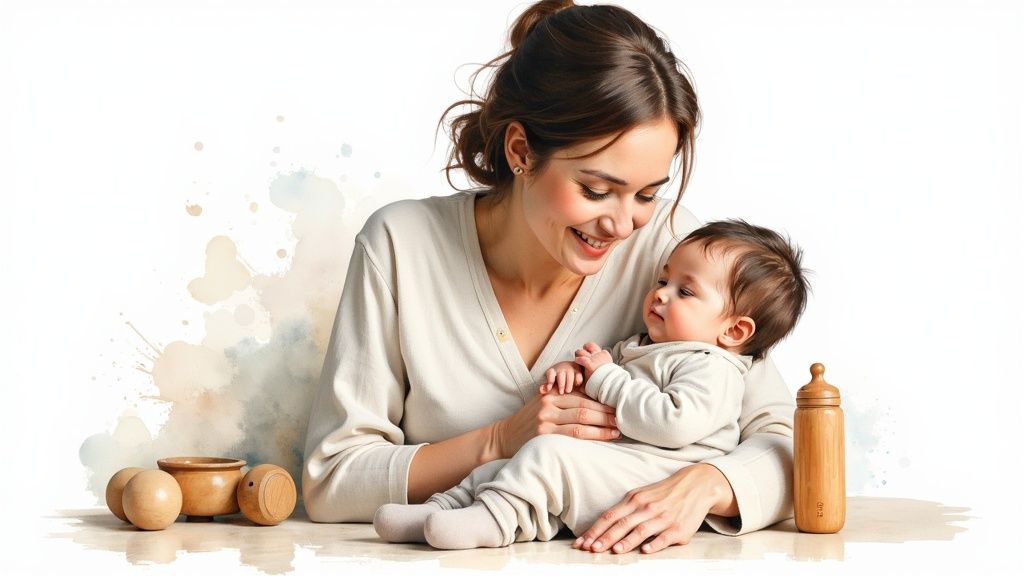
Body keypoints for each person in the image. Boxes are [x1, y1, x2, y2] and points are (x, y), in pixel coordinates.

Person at [302, 0, 797, 554]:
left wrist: (705, 486)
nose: (622, 223)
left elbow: (788, 445)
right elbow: (332, 480)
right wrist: (498, 440)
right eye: (595, 189)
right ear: (520, 151)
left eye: (648, 194)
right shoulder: (401, 245)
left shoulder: (675, 256)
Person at [371, 220, 809, 549]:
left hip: (659, 473)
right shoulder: (648, 345)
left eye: (685, 292)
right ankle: (439, 511)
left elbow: (672, 422)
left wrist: (605, 377)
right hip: (619, 462)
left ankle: (494, 521)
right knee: (514, 464)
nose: (660, 294)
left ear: (734, 332)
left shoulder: (713, 367)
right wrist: (575, 374)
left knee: (547, 454)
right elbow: (602, 378)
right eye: (662, 280)